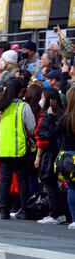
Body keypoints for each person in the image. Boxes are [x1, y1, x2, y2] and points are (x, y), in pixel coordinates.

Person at [0, 78, 36, 220]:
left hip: (2, 149)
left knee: (4, 180)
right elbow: (31, 128)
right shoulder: (23, 107)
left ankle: (4, 211)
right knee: (22, 179)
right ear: (21, 91)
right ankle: (24, 209)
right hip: (19, 149)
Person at [34, 88, 67, 225]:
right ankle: (59, 213)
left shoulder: (48, 116)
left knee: (50, 183)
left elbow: (43, 137)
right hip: (60, 152)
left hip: (50, 154)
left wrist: (38, 157)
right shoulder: (63, 114)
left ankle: (54, 214)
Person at [52, 87, 75, 230]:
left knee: (72, 188)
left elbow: (53, 135)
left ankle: (74, 218)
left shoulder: (65, 119)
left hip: (68, 157)